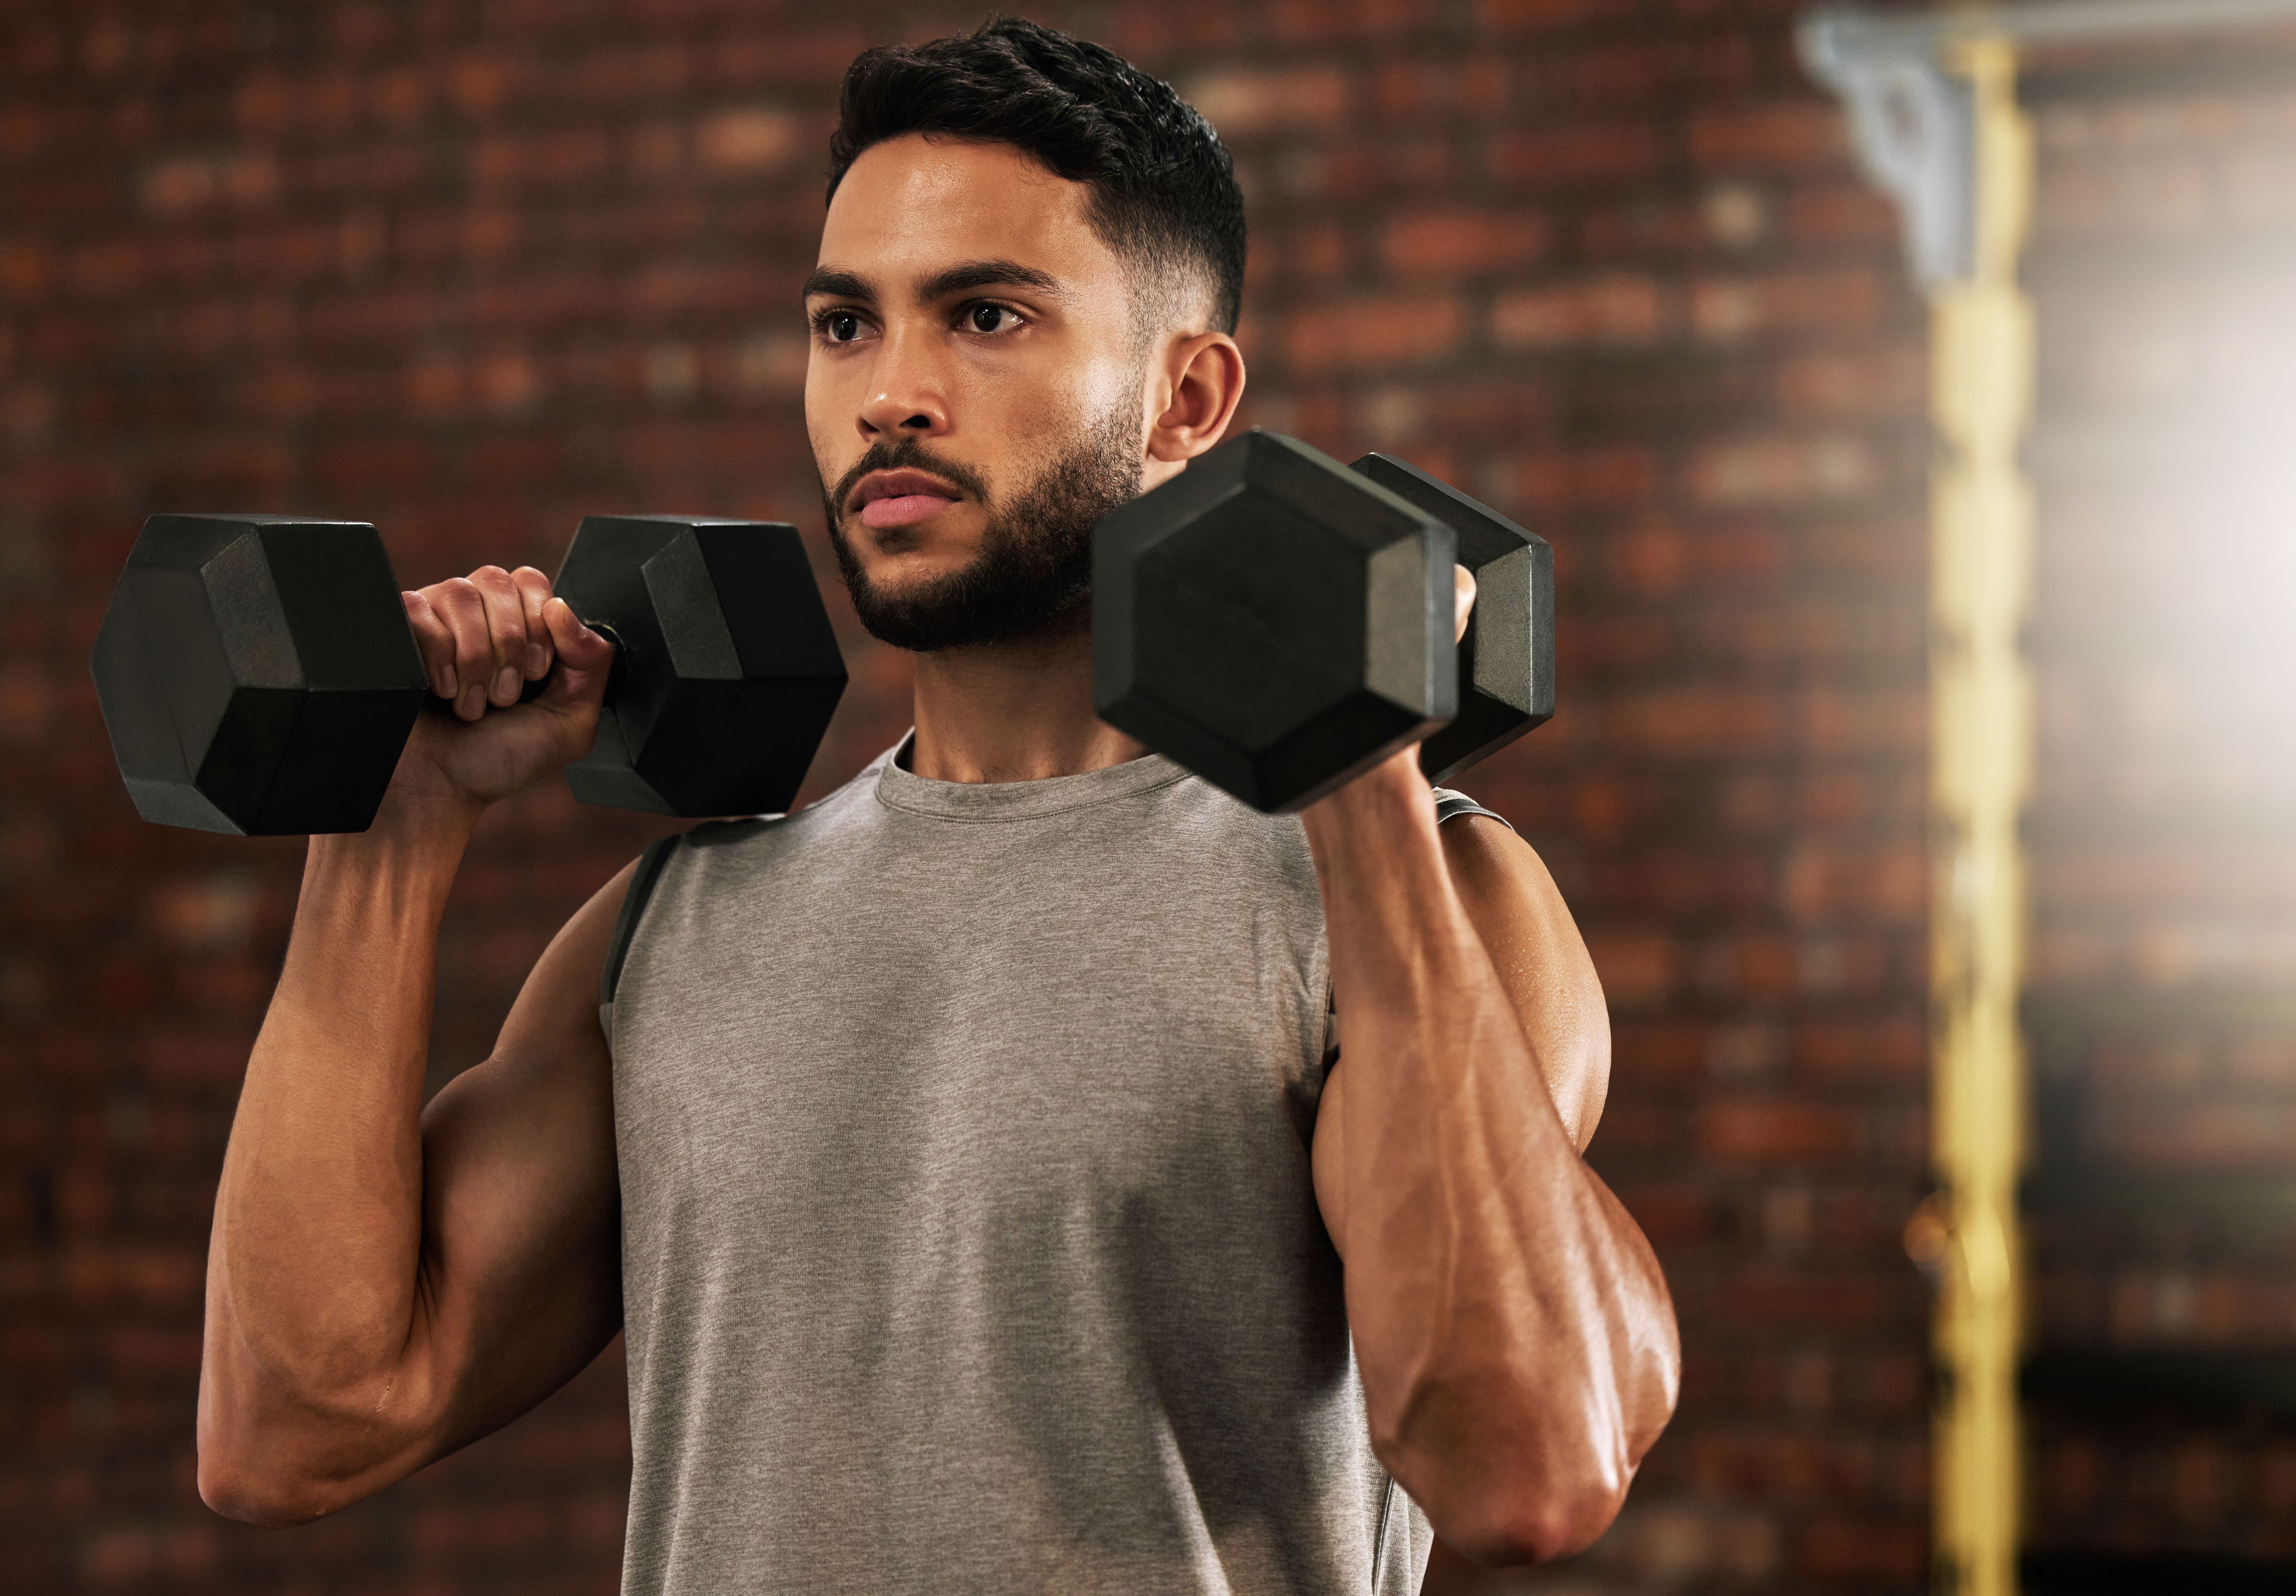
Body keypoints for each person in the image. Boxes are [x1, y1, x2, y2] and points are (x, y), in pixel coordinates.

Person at [194, 19, 1678, 1595]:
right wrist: (394, 833)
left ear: (1189, 397)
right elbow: (295, 1428)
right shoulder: (677, 929)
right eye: (845, 327)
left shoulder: (1412, 895)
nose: (891, 394)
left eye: (983, 316)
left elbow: (1525, 1468)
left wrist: (1362, 768)